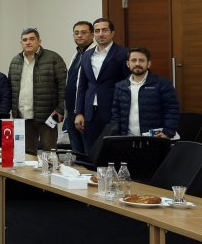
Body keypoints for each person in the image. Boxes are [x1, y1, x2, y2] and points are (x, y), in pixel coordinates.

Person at [8, 28, 67, 154]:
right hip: (22, 116)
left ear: (39, 41)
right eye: (24, 40)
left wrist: (60, 109)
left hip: (49, 116)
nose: (28, 42)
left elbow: (63, 86)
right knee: (26, 154)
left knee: (49, 153)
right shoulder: (15, 61)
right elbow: (11, 88)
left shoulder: (53, 58)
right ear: (21, 43)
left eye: (32, 39)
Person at [75, 18, 129, 153]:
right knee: (91, 153)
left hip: (113, 113)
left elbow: (128, 84)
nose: (101, 34)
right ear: (93, 34)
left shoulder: (123, 53)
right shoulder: (87, 55)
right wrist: (79, 112)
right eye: (97, 31)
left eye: (105, 30)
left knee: (112, 153)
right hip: (89, 114)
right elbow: (82, 86)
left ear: (112, 33)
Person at [111, 47, 179, 138]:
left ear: (149, 64)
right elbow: (115, 114)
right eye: (133, 60)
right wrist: (115, 135)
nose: (137, 64)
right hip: (127, 138)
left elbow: (172, 109)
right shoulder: (120, 86)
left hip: (154, 138)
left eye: (141, 60)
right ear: (128, 64)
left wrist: (168, 132)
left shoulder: (163, 84)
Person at [64, 21, 93, 154]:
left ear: (92, 35)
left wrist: (81, 112)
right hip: (71, 111)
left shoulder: (94, 54)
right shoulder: (77, 54)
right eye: (76, 33)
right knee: (77, 153)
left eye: (83, 32)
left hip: (85, 112)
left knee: (89, 153)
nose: (79, 36)